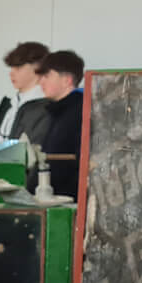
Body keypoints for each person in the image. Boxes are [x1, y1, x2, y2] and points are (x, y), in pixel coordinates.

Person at [34, 49, 86, 198]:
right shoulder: (56, 112)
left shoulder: (79, 112)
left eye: (47, 75)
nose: (41, 81)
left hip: (66, 201)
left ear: (67, 80)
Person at [0, 40, 49, 146]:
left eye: (18, 67)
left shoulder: (45, 108)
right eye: (11, 68)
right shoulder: (9, 104)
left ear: (37, 67)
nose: (11, 73)